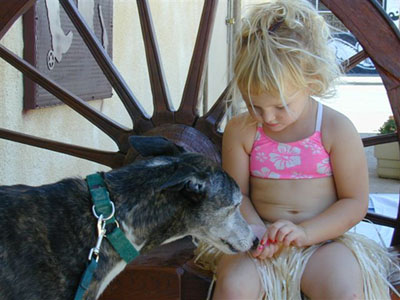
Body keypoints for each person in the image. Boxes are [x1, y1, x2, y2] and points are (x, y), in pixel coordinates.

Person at [194, 0, 398, 299]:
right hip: (258, 238)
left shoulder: (335, 129)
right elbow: (239, 193)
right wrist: (254, 228)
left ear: (311, 83)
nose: (267, 117)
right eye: (254, 105)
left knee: (344, 290)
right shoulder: (243, 130)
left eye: (280, 105)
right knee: (234, 287)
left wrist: (306, 233)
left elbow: (354, 201)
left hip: (323, 242)